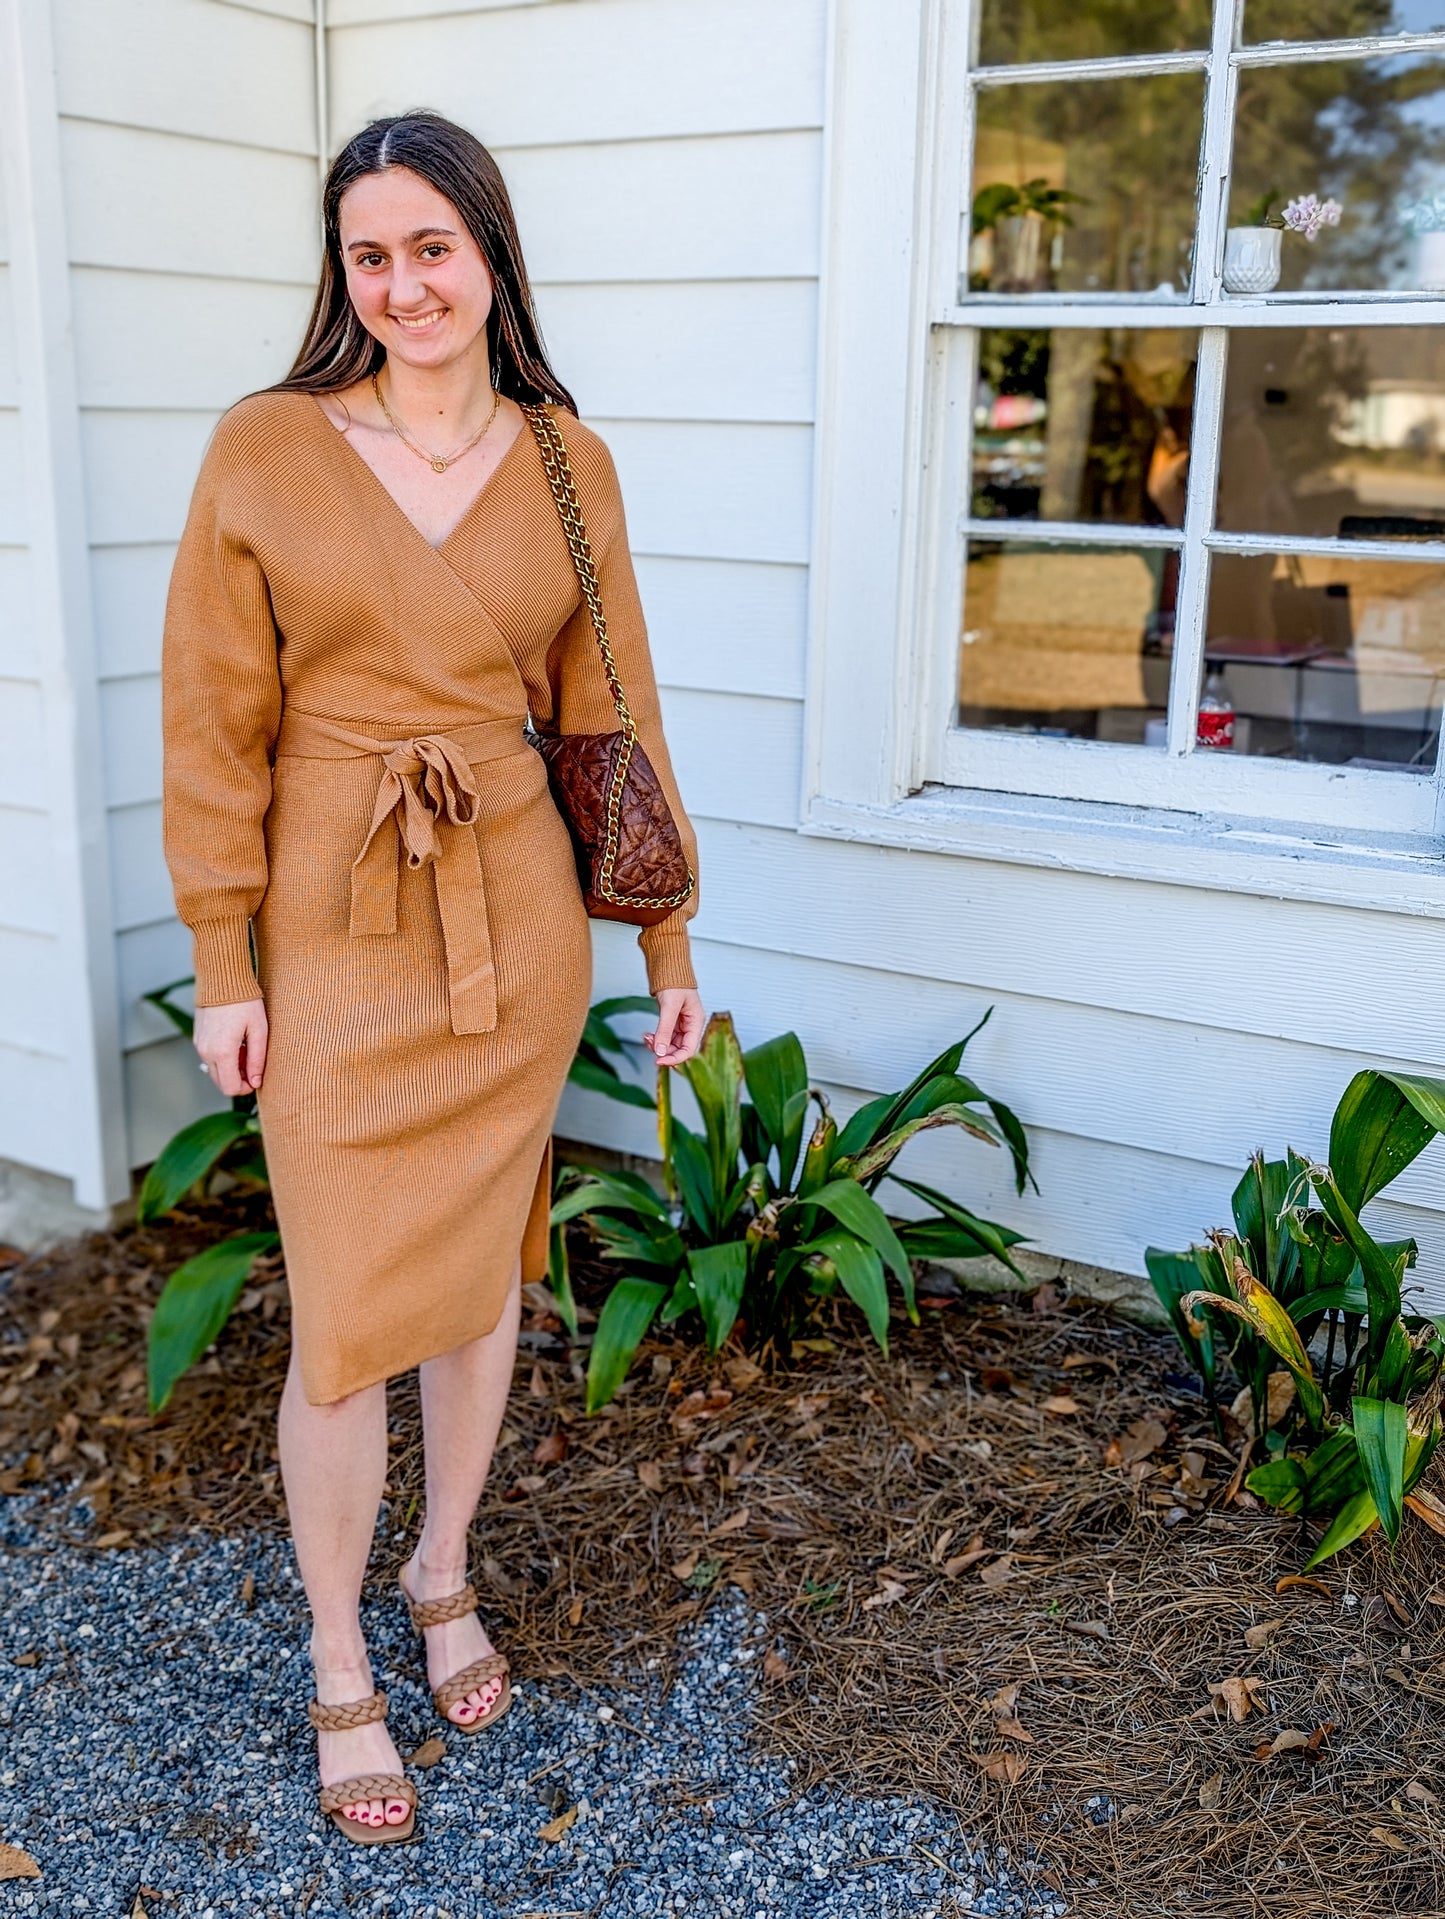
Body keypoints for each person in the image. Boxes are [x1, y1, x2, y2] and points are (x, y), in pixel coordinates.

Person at [160, 109, 703, 1846]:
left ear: (489, 253)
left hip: (514, 921)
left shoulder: (567, 459)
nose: (402, 286)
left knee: (474, 1285)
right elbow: (210, 725)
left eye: (431, 248)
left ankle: (442, 1568)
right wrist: (217, 956)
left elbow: (610, 714)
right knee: (342, 1314)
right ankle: (338, 1650)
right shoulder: (265, 449)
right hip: (330, 925)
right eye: (368, 255)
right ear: (343, 273)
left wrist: (665, 937)